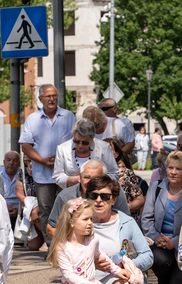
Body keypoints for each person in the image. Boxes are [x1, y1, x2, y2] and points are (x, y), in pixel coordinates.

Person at [84, 175, 151, 284]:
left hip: (119, 282)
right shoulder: (81, 222)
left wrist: (126, 265)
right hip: (89, 282)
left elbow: (148, 256)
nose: (99, 201)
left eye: (105, 197)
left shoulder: (126, 222)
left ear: (113, 200)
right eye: (93, 196)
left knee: (121, 282)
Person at [19, 85, 76, 235]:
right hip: (43, 174)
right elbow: (25, 146)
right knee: (46, 212)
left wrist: (60, 159)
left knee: (70, 208)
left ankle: (68, 245)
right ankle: (51, 247)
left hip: (66, 172)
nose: (51, 99)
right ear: (40, 99)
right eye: (48, 96)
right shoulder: (32, 119)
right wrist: (43, 161)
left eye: (54, 96)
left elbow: (76, 141)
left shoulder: (69, 116)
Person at [142, 151, 182, 284]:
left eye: (178, 169)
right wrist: (155, 237)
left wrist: (175, 241)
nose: (173, 172)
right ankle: (163, 280)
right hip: (160, 243)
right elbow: (146, 219)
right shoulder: (156, 187)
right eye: (170, 168)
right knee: (157, 258)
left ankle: (174, 278)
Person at [47, 160, 130, 238]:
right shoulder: (65, 197)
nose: (91, 182)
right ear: (79, 177)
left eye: (96, 178)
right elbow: (51, 228)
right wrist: (75, 241)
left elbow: (126, 223)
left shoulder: (114, 193)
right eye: (87, 177)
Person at [54, 117, 118, 190]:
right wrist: (75, 179)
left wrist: (96, 180)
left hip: (98, 192)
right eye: (76, 141)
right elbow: (57, 176)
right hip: (71, 192)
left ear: (93, 137)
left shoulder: (104, 147)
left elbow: (114, 174)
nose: (80, 145)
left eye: (85, 143)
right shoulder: (62, 149)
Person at [108, 139, 146, 217]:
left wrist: (124, 207)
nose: (105, 152)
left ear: (117, 153)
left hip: (122, 218)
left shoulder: (126, 173)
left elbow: (139, 200)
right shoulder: (92, 172)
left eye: (109, 149)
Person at [16, 156, 45, 251]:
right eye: (29, 161)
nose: (31, 164)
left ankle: (49, 240)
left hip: (44, 205)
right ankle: (42, 236)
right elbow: (19, 194)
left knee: (36, 214)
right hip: (29, 206)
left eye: (34, 161)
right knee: (33, 246)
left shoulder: (44, 172)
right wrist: (29, 205)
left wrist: (36, 208)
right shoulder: (22, 173)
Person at [0, 151, 21, 227]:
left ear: (19, 163)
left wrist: (19, 210)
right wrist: (4, 207)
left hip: (20, 212)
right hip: (1, 211)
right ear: (4, 162)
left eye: (15, 160)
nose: (11, 163)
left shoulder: (23, 174)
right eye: (8, 160)